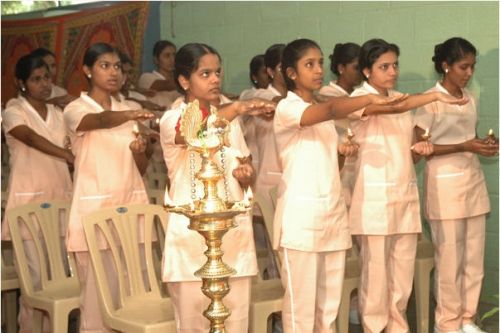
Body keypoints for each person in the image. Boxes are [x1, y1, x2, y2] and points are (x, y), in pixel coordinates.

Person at [274, 38, 406, 333]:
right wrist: (371, 99)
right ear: (291, 73)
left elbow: (330, 168)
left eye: (320, 62)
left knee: (329, 304)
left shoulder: (320, 109)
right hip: (301, 217)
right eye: (309, 64)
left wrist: (341, 155)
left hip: (330, 213)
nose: (318, 70)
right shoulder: (288, 108)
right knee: (301, 307)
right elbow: (333, 110)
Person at [347, 38, 468, 333]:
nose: (392, 72)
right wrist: (434, 97)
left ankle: (398, 328)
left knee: (401, 278)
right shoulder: (359, 100)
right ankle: (374, 329)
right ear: (366, 71)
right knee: (376, 278)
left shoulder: (403, 101)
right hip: (373, 201)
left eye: (395, 65)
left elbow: (409, 150)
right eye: (384, 66)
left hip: (404, 197)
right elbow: (388, 108)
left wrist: (419, 149)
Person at [159, 42, 275, 332]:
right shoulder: (172, 117)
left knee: (235, 322)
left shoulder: (230, 121)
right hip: (192, 239)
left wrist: (245, 174)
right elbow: (191, 132)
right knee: (195, 323)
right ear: (185, 81)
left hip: (232, 236)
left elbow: (244, 162)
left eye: (218, 73)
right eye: (205, 73)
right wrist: (236, 107)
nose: (215, 79)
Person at [63, 42, 154, 333]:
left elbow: (140, 166)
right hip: (94, 211)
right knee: (96, 296)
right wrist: (129, 117)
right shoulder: (75, 108)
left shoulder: (132, 108)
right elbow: (99, 121)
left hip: (130, 206)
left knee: (132, 290)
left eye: (117, 67)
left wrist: (141, 149)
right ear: (87, 71)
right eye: (105, 66)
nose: (113, 72)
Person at [414, 37, 498, 333]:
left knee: (473, 258)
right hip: (444, 186)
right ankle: (447, 323)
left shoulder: (469, 99)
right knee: (449, 260)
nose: (469, 73)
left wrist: (484, 145)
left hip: (472, 183)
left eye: (473, 67)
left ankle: (467, 318)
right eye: (464, 66)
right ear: (445, 65)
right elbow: (417, 148)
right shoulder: (429, 100)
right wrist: (464, 145)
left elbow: (469, 138)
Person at [1, 53, 74, 333]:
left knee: (58, 280)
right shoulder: (14, 111)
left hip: (60, 202)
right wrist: (67, 155)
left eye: (47, 78)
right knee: (35, 281)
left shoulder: (58, 114)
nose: (44, 84)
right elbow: (30, 137)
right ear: (21, 83)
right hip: (28, 205)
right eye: (36, 79)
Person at [138, 40, 181, 109]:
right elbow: (166, 85)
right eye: (167, 56)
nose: (172, 60)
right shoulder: (146, 77)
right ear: (156, 60)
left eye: (174, 55)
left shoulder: (180, 80)